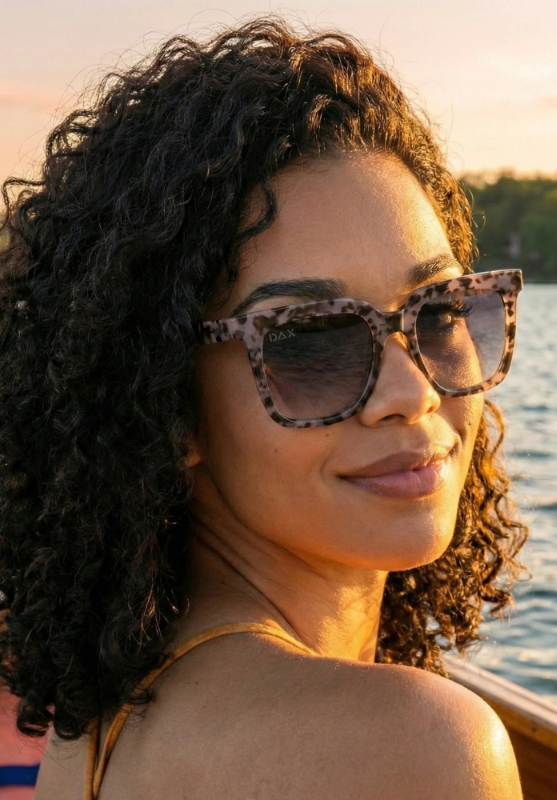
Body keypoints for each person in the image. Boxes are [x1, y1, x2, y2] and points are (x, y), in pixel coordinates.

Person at [0, 16, 529, 800]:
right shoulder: (413, 750)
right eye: (310, 339)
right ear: (168, 403)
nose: (411, 391)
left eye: (440, 312)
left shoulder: (108, 723)